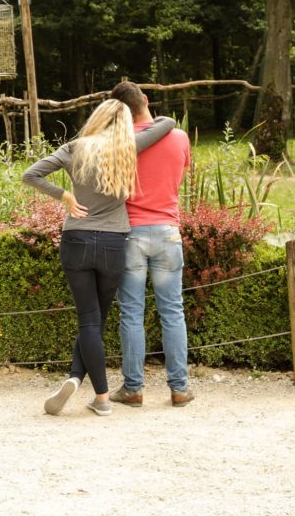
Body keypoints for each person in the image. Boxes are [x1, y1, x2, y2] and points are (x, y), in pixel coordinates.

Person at [22, 100, 175, 416]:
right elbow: (168, 123)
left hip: (76, 239)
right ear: (124, 124)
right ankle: (83, 383)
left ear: (97, 118)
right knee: (96, 321)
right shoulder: (127, 148)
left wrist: (64, 196)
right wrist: (146, 109)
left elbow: (31, 174)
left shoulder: (75, 147)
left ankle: (92, 389)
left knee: (89, 321)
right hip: (113, 244)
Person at [108, 81, 193, 408]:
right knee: (172, 311)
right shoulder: (180, 138)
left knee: (131, 313)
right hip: (168, 232)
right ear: (145, 99)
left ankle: (133, 388)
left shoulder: (119, 145)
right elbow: (177, 181)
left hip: (130, 234)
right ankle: (180, 388)